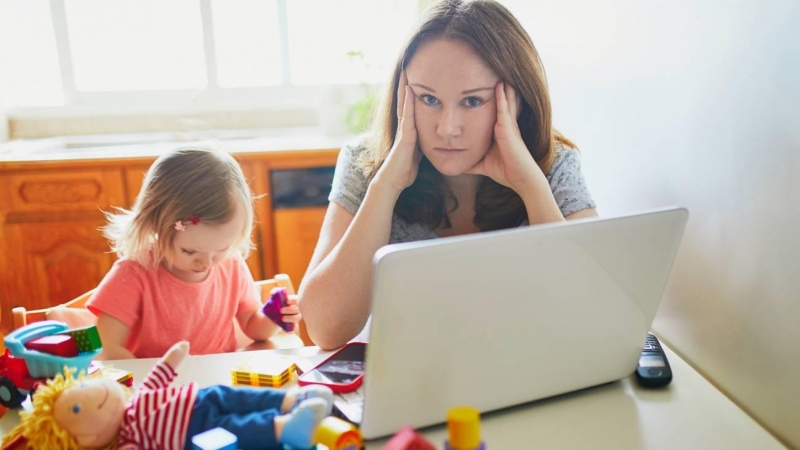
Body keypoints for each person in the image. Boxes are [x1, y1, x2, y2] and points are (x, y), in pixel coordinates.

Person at [299, 0, 598, 350]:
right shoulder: (364, 164)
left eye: (472, 101)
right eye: (428, 99)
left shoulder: (555, 165)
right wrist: (386, 186)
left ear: (517, 101)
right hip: (410, 386)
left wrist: (529, 185)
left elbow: (590, 310)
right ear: (402, 95)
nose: (447, 128)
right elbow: (324, 328)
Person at [87, 145, 301, 359]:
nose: (207, 262)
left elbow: (253, 328)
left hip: (219, 383)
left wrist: (274, 316)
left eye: (222, 248)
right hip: (160, 389)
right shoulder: (134, 272)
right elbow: (106, 347)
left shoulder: (231, 264)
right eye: (190, 251)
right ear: (155, 225)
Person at [0, 341, 334, 450]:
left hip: (201, 397)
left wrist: (172, 359)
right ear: (83, 437)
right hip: (195, 435)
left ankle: (291, 400)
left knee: (237, 395)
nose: (94, 389)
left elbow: (155, 382)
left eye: (82, 387)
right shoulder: (128, 441)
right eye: (78, 403)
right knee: (238, 428)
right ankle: (285, 428)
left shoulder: (132, 400)